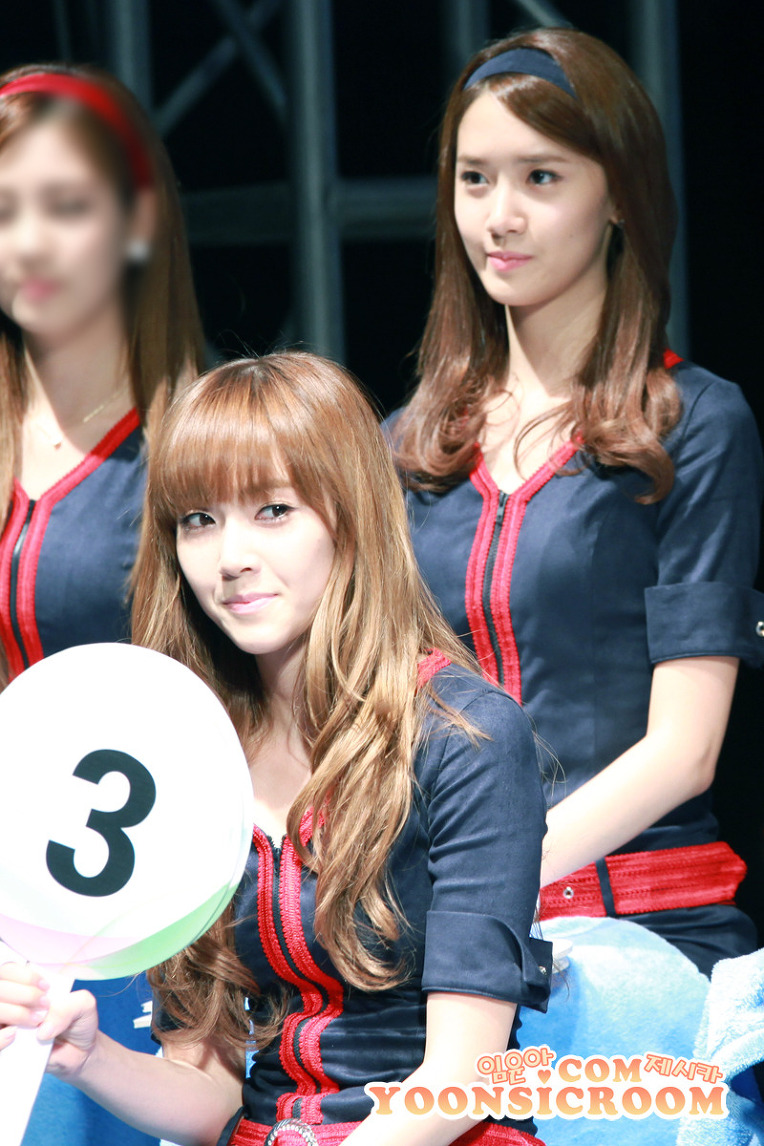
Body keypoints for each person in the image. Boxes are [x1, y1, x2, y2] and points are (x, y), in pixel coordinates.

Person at [0, 353, 551, 1146]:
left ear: (350, 516)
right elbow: (212, 1094)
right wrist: (86, 1056)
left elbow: (461, 1079)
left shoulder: (463, 734)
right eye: (199, 520)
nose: (230, 558)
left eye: (273, 511)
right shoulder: (182, 754)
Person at [387, 26, 764, 977]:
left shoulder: (695, 426)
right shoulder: (408, 447)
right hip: (449, 939)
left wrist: (484, 885)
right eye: (475, 180)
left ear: (620, 196)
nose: (500, 216)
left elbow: (685, 750)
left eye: (541, 178)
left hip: (641, 928)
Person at [0, 63, 204, 1146]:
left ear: (137, 220)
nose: (28, 243)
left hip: (158, 954)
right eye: (3, 211)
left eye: (65, 207)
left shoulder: (201, 455)